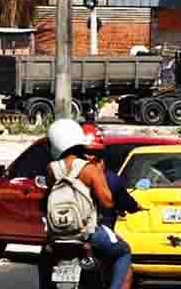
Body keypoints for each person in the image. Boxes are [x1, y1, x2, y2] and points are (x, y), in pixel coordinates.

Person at [44, 119, 132, 289]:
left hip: (57, 235)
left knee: (44, 260)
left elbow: (47, 196)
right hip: (87, 233)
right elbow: (107, 202)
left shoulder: (51, 168)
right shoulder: (89, 169)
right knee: (123, 253)